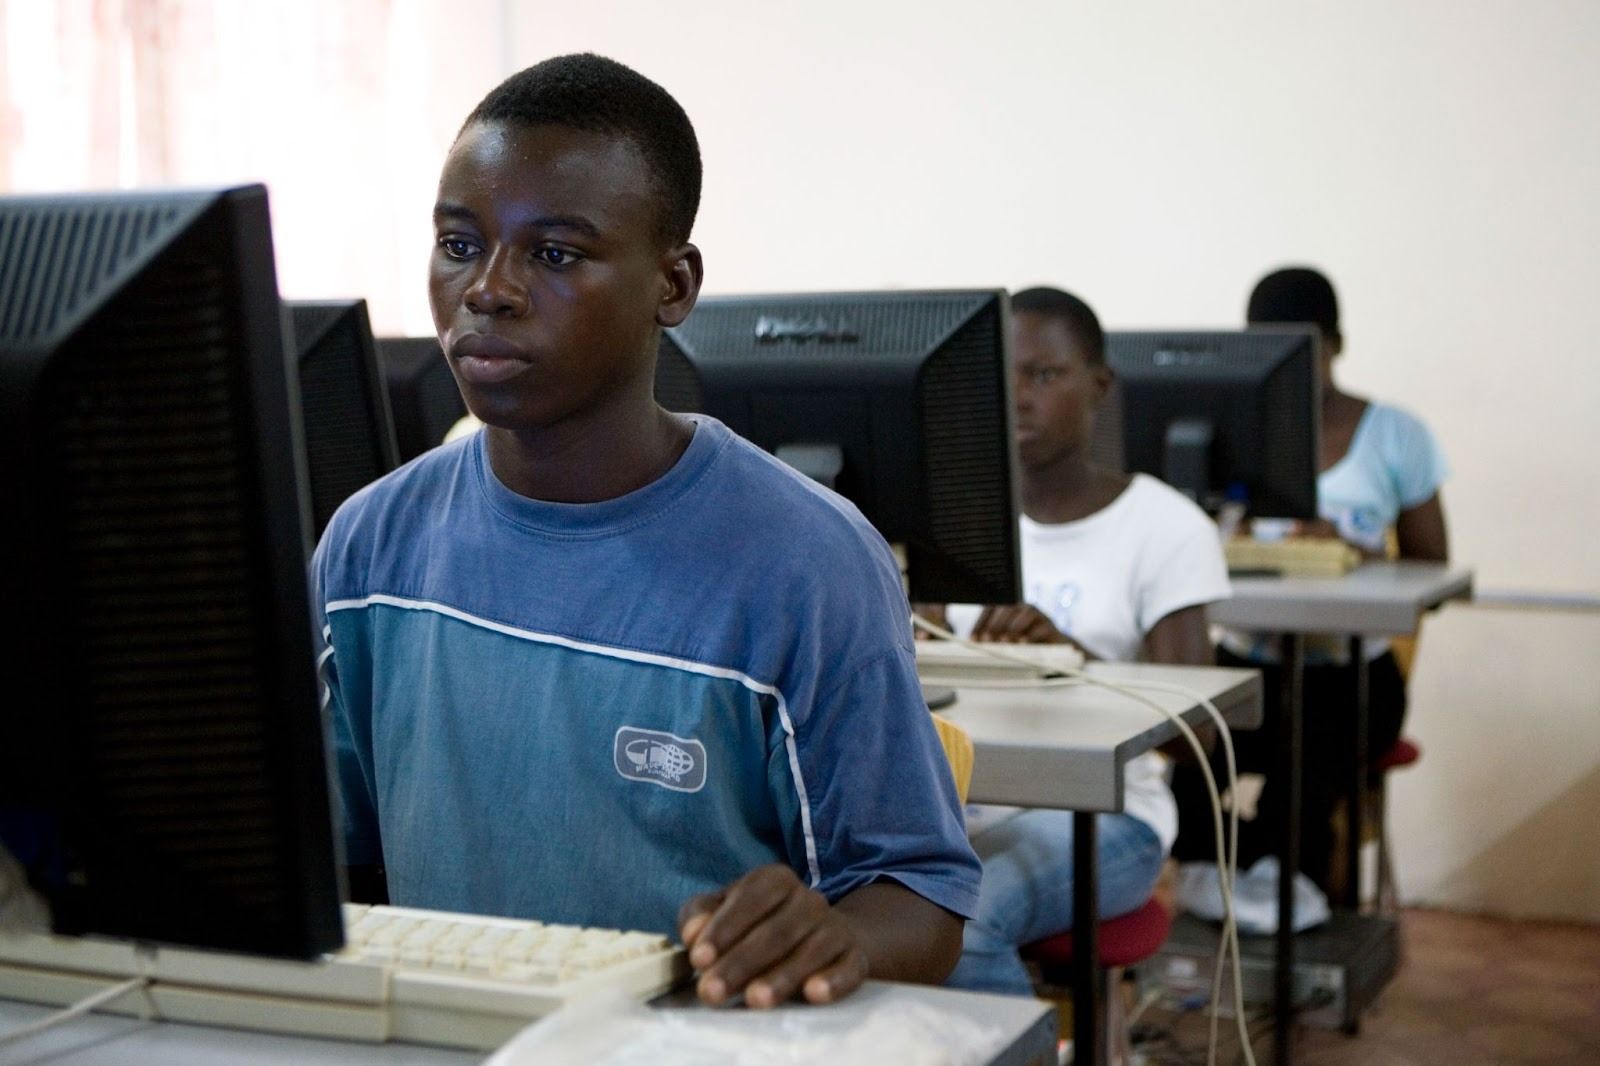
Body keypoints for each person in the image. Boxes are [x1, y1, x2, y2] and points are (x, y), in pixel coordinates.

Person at [312, 53, 980, 1010]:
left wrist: (834, 933)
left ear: (673, 285)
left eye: (553, 254)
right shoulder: (370, 546)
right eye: (460, 243)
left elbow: (921, 897)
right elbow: (322, 861)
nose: (487, 289)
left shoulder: (806, 563)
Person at [928, 287, 1230, 996]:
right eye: (1002, 378)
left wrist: (1072, 662)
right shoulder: (950, 522)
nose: (1019, 397)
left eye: (1043, 375)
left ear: (1099, 386)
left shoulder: (1165, 526)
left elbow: (1199, 739)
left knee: (961, 923)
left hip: (1109, 819)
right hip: (959, 804)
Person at [1175, 265, 1450, 891]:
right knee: (1186, 763)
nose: (1288, 367)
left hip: (1350, 677)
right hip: (1249, 665)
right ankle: (1228, 903)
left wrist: (1350, 549)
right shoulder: (1226, 433)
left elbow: (1432, 563)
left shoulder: (1394, 434)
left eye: (1305, 350)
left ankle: (1295, 923)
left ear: (1336, 345)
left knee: (1301, 785)